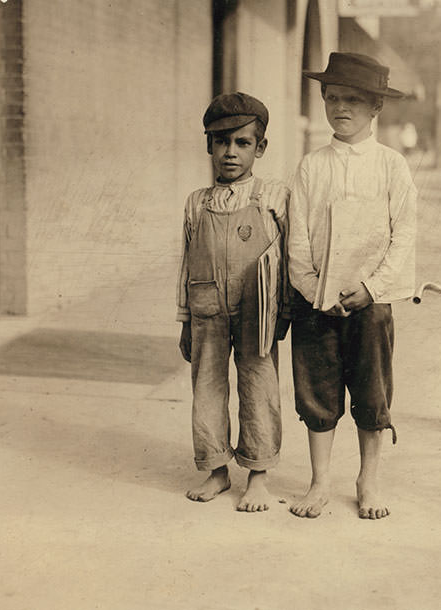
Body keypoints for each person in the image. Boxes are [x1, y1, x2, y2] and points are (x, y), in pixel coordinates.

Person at [287, 53, 417, 519]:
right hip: (315, 300)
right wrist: (309, 287)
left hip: (370, 301)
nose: (341, 107)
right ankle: (320, 480)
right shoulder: (311, 167)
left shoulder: (391, 167)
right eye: (333, 97)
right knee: (317, 389)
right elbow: (297, 239)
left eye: (354, 100)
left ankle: (368, 480)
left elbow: (403, 236)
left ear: (376, 107)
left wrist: (372, 286)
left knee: (371, 388)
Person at [176, 92, 290, 512]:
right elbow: (186, 265)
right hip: (206, 309)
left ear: (260, 148)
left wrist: (284, 310)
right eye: (221, 142)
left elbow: (287, 259)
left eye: (242, 143)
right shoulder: (196, 202)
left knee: (258, 388)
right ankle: (216, 470)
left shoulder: (272, 197)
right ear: (209, 145)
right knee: (206, 387)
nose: (230, 152)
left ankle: (257, 475)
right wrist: (185, 319)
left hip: (255, 311)